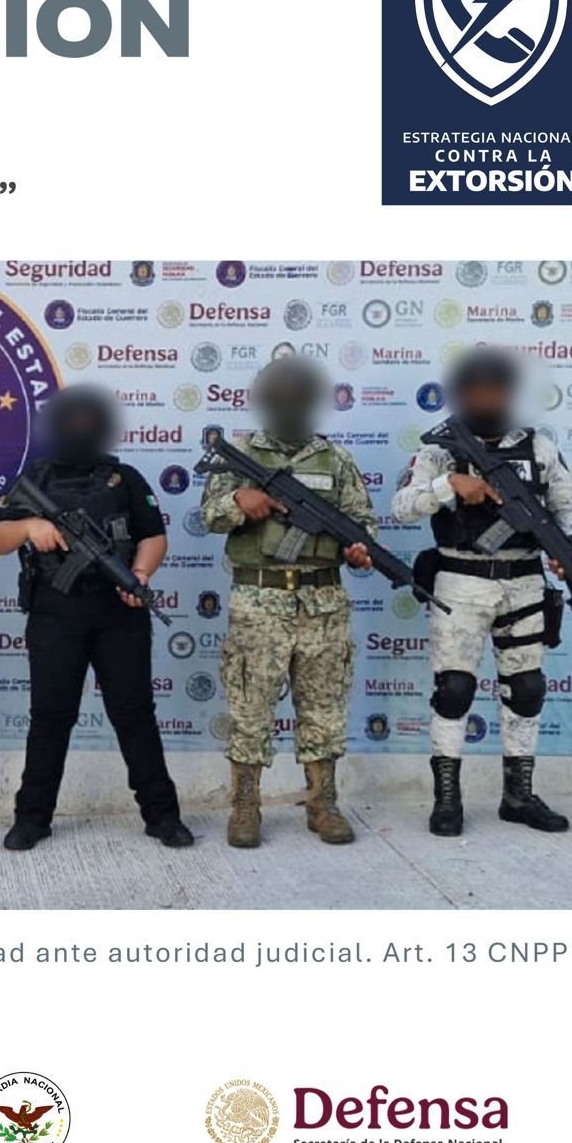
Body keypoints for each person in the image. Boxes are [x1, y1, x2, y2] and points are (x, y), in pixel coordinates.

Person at [0, 385, 194, 850]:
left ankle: (162, 815)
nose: (80, 429)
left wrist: (140, 574)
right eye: (72, 421)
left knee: (135, 714)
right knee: (50, 716)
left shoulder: (125, 479)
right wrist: (30, 526)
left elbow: (153, 535)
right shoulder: (36, 478)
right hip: (55, 615)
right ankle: (32, 818)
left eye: (88, 421)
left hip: (119, 615)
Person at [391, 349, 572, 836]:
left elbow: (566, 506)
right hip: (462, 581)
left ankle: (518, 797)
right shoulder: (440, 449)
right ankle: (447, 800)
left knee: (527, 688)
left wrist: (569, 547)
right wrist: (449, 485)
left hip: (524, 581)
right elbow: (402, 506)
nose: (486, 399)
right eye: (476, 391)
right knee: (454, 690)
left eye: (495, 390)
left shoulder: (538, 447)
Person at [200, 356, 376, 848]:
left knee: (324, 707)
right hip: (260, 600)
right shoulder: (239, 454)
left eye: (298, 399)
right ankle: (245, 806)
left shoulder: (335, 459)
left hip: (323, 600)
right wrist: (240, 502)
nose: (289, 408)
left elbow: (363, 522)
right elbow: (210, 514)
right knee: (250, 707)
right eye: (280, 399)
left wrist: (360, 550)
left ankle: (323, 803)